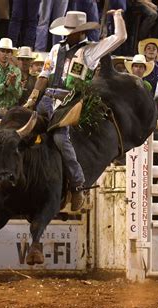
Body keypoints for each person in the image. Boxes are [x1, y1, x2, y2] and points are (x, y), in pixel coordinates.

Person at [24, 10, 126, 211]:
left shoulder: (90, 50)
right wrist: (32, 98)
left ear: (80, 33)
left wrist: (117, 17)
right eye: (67, 31)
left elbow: (120, 37)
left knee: (62, 139)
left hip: (69, 101)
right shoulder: (56, 49)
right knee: (22, 128)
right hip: (47, 98)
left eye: (71, 31)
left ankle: (78, 184)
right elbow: (44, 75)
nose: (67, 34)